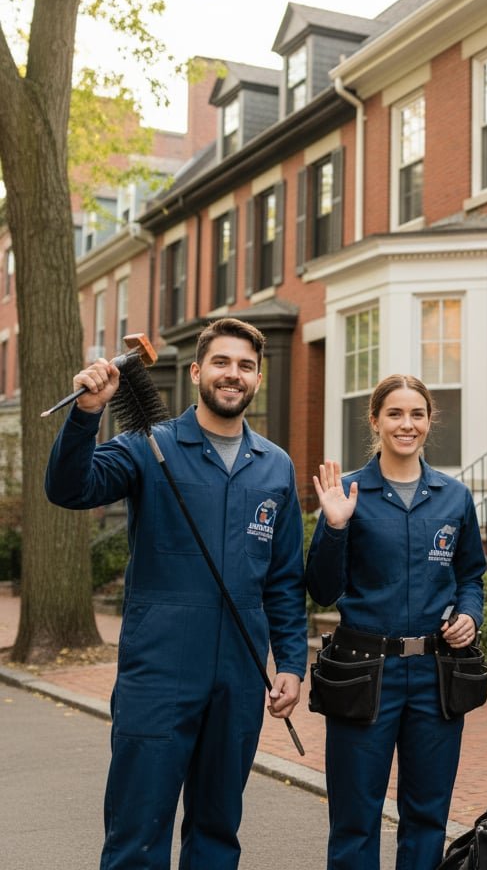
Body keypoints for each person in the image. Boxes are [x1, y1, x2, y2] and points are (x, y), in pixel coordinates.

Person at [44, 317, 307, 869]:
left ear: (258, 379)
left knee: (217, 830)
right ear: (195, 372)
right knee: (137, 831)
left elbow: (284, 580)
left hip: (239, 674)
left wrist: (290, 663)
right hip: (159, 671)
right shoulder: (148, 445)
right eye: (221, 362)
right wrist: (86, 414)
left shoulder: (275, 466)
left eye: (246, 366)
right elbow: (70, 488)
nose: (233, 374)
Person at [306, 374, 487, 870]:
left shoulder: (454, 496)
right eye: (395, 414)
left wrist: (470, 615)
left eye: (417, 414)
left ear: (429, 421)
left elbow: (471, 576)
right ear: (375, 421)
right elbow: (321, 589)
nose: (407, 425)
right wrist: (335, 527)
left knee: (427, 815)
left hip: (435, 675)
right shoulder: (347, 493)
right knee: (355, 818)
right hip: (363, 672)